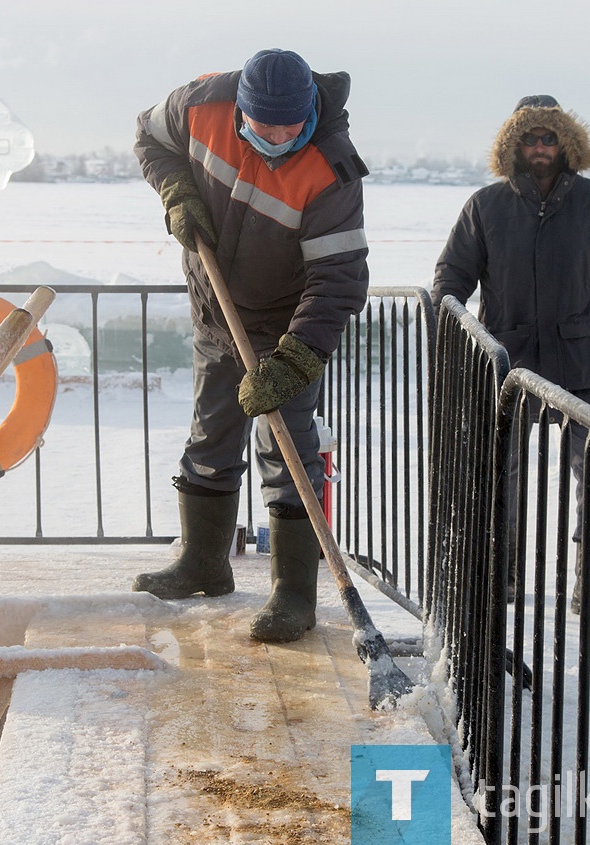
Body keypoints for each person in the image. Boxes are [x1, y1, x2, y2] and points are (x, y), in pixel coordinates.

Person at [130, 48, 370, 642]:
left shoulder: (330, 169)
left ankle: (294, 595)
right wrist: (178, 194)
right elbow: (149, 140)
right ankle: (204, 564)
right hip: (216, 302)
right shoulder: (201, 103)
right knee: (210, 434)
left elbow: (339, 279)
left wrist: (293, 360)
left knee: (286, 446)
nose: (280, 138)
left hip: (289, 322)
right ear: (242, 110)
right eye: (265, 128)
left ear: (309, 111)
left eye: (292, 127)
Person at [432, 95, 590, 626]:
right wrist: (464, 344)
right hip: (509, 367)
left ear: (566, 144)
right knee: (500, 475)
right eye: (529, 138)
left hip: (583, 365)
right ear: (512, 145)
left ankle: (589, 585)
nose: (540, 148)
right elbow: (449, 284)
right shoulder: (485, 206)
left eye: (549, 138)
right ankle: (502, 575)